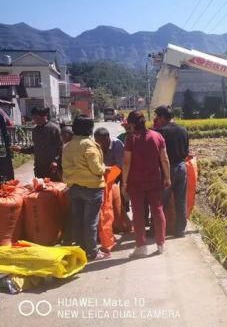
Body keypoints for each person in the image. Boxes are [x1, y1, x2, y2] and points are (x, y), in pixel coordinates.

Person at [122, 111, 171, 257]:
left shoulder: (131, 139)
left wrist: (124, 182)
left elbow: (126, 162)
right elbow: (164, 159)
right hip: (155, 179)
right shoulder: (157, 136)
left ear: (131, 124)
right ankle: (161, 243)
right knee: (158, 209)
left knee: (138, 213)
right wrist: (167, 177)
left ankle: (141, 246)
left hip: (136, 181)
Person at [62, 115, 110, 261]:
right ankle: (93, 252)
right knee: (90, 222)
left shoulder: (67, 146)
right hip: (92, 188)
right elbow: (96, 169)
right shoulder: (89, 145)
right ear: (90, 128)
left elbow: (65, 167)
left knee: (78, 220)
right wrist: (104, 168)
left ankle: (81, 249)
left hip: (74, 187)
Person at [154, 105, 190, 237]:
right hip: (182, 166)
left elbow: (160, 155)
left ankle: (157, 230)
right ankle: (180, 230)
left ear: (163, 117)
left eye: (157, 117)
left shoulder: (161, 132)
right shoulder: (183, 130)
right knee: (180, 200)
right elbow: (186, 151)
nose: (156, 120)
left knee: (161, 201)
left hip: (167, 169)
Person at [11, 107, 62, 180]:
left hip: (52, 166)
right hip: (39, 167)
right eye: (34, 117)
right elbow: (35, 148)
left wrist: (56, 161)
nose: (35, 120)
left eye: (37, 117)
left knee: (54, 188)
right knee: (40, 188)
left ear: (45, 116)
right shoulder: (35, 130)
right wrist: (21, 149)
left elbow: (61, 147)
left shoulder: (54, 129)